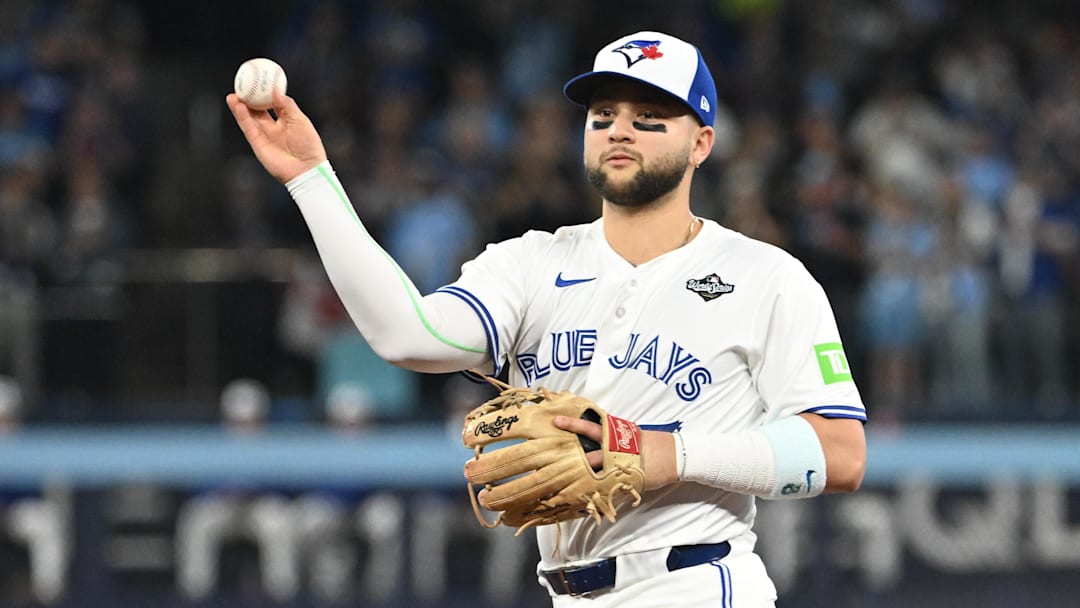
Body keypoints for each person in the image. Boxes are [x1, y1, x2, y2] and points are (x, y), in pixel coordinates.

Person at [227, 30, 867, 607]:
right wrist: (312, 179)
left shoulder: (765, 277)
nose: (619, 130)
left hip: (696, 584)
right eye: (603, 115)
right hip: (567, 592)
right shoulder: (529, 264)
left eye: (649, 117)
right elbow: (405, 332)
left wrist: (664, 454)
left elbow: (840, 455)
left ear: (701, 143)